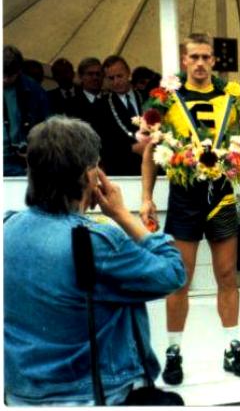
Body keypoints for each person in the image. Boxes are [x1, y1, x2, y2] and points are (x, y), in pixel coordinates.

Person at [3, 116, 185, 405]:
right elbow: (173, 273)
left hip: (19, 393)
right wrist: (123, 215)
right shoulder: (97, 243)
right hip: (93, 394)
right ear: (90, 175)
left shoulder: (8, 227)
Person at [141, 33, 240, 383]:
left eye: (206, 57)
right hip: (184, 195)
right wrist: (146, 196)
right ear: (184, 60)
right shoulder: (168, 99)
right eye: (193, 57)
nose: (200, 63)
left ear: (214, 61)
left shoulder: (231, 98)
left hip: (222, 193)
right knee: (181, 278)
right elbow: (150, 151)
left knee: (227, 274)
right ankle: (173, 352)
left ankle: (232, 348)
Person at [3, 45, 50, 176]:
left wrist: (36, 149)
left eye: (9, 75)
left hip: (20, 160)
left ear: (19, 71)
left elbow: (46, 125)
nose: (4, 79)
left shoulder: (34, 90)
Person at [95, 55, 147, 176]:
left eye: (119, 76)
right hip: (121, 171)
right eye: (111, 78)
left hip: (154, 169)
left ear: (128, 73)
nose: (116, 82)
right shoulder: (100, 106)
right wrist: (132, 148)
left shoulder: (146, 97)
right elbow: (102, 144)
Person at [70, 57, 105, 126]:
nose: (95, 78)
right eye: (90, 74)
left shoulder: (111, 101)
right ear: (81, 77)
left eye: (98, 74)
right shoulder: (71, 104)